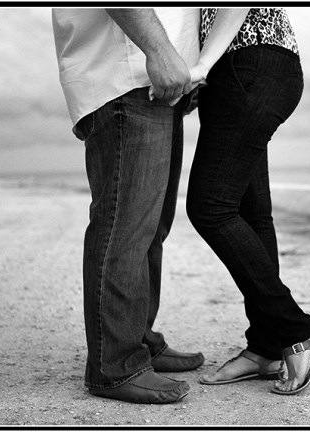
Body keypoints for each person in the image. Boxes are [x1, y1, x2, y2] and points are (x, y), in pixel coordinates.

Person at [52, 8, 205, 404]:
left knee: (151, 229)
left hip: (153, 77)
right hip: (127, 74)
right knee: (126, 228)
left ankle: (138, 340)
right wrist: (159, 50)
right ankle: (115, 364)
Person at [185, 8, 310, 395]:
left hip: (248, 63)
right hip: (248, 66)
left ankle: (298, 333)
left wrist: (201, 65)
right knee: (251, 214)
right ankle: (266, 349)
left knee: (210, 207)